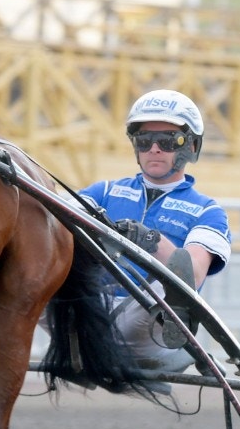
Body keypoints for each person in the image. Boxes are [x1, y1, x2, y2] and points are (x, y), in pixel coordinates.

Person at [78, 89, 232, 374]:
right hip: (88, 314)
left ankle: (179, 341)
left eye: (168, 141)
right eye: (145, 140)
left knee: (167, 286)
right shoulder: (103, 192)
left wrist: (148, 239)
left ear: (191, 147)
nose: (155, 149)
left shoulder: (207, 212)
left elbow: (193, 275)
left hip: (149, 325)